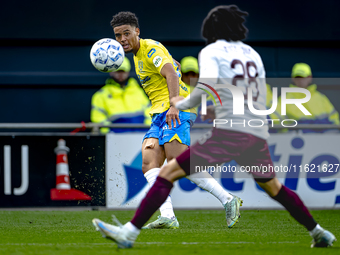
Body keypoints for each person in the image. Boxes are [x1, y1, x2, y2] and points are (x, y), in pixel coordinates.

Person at [92, 5, 336, 248]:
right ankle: (318, 232)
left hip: (225, 131)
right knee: (274, 187)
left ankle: (130, 233)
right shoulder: (252, 53)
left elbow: (202, 85)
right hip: (252, 129)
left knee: (170, 171)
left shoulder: (210, 51)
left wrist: (181, 104)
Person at [102, 11, 242, 229]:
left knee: (178, 163)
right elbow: (172, 66)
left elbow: (171, 73)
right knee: (149, 164)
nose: (122, 40)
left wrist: (175, 104)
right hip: (159, 113)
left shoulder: (149, 48)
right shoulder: (140, 55)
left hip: (175, 109)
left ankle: (228, 199)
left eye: (126, 34)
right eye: (118, 36)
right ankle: (168, 216)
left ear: (137, 31)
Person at [91, 57, 151, 133]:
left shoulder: (138, 91)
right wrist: (111, 133)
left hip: (141, 135)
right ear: (111, 72)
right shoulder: (100, 95)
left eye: (123, 71)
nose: (120, 74)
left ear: (128, 72)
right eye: (117, 71)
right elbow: (98, 119)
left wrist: (147, 131)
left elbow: (150, 114)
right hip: (115, 138)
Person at [275, 63, 339, 133]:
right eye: (298, 77)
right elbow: (279, 123)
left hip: (324, 138)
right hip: (297, 139)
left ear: (310, 78)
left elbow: (335, 120)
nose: (301, 80)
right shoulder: (283, 99)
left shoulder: (321, 98)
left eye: (304, 77)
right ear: (293, 79)